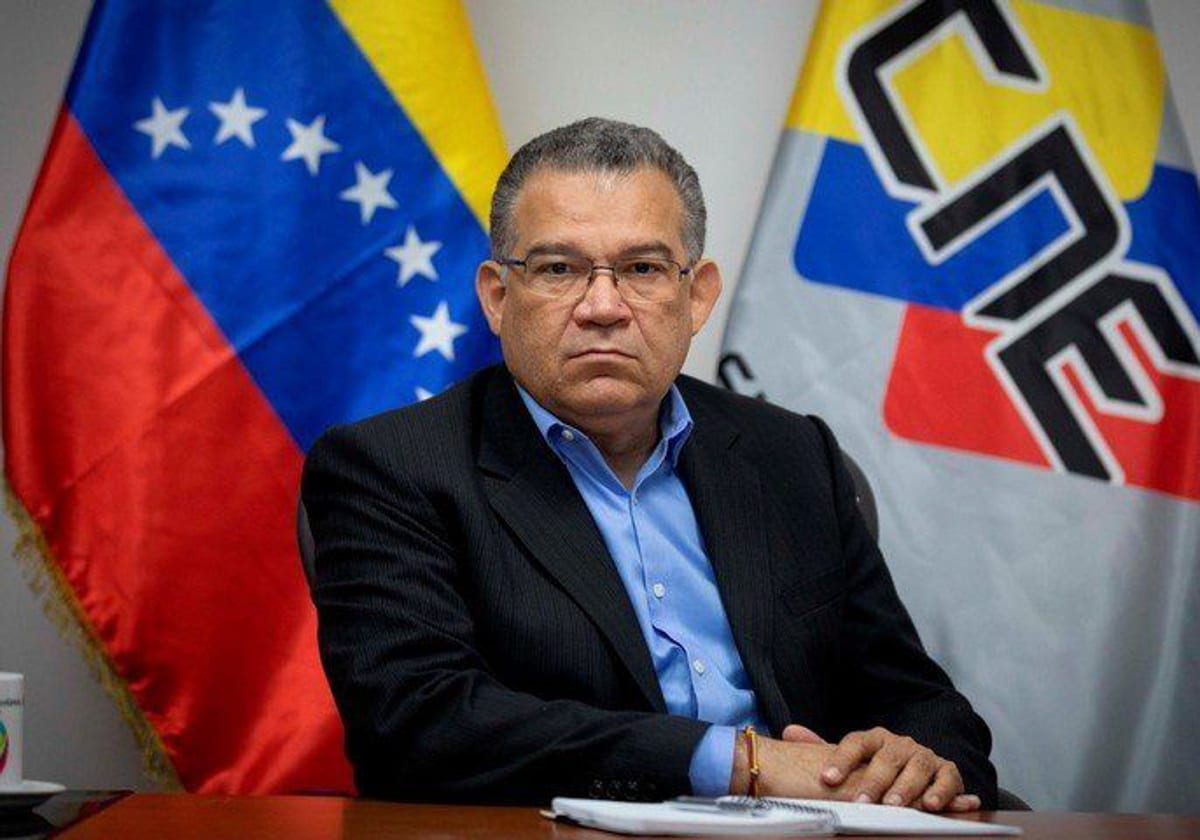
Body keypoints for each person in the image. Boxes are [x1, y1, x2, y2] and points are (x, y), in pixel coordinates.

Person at [302, 117, 997, 809]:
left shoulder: (791, 455)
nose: (602, 307)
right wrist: (741, 763)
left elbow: (924, 704)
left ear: (697, 296)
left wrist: (919, 766)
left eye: (642, 269)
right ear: (497, 296)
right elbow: (418, 724)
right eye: (557, 269)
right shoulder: (391, 468)